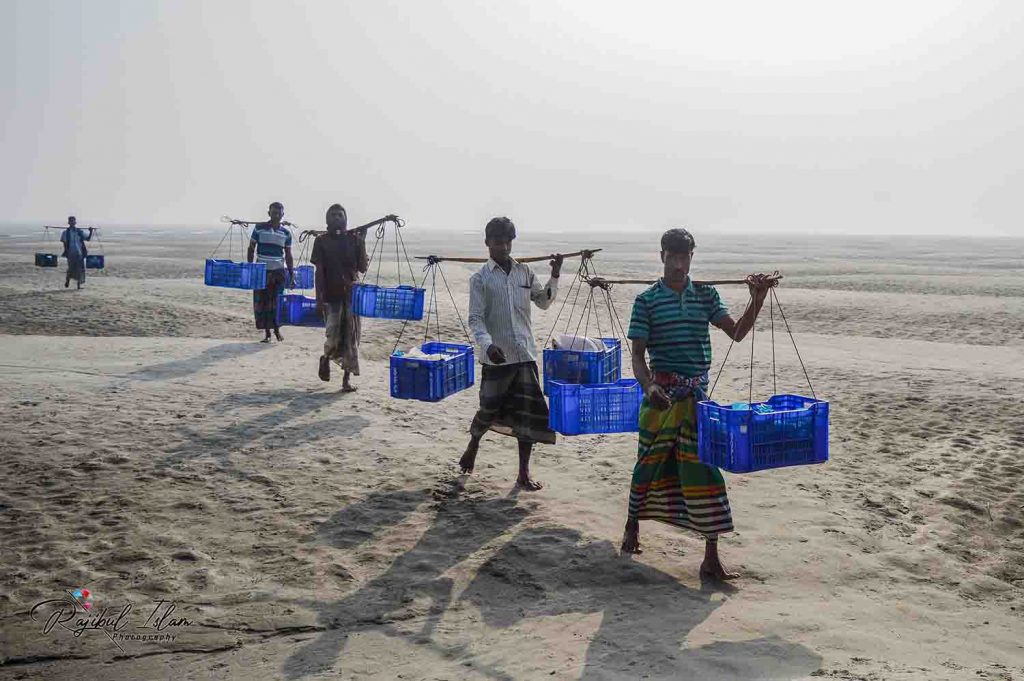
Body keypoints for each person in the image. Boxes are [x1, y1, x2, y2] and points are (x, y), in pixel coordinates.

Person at [620, 227, 775, 580]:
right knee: (648, 464)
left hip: (696, 400)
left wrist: (758, 298)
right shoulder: (646, 302)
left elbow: (736, 333)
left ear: (692, 257)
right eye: (671, 257)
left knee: (704, 472)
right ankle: (632, 526)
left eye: (684, 257)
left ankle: (710, 557)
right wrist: (647, 388)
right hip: (661, 400)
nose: (678, 264)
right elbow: (638, 358)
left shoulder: (705, 295)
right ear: (661, 257)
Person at [459, 217, 564, 490]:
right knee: (487, 409)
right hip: (497, 358)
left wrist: (555, 274)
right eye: (497, 242)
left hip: (525, 354)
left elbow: (544, 302)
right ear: (487, 243)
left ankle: (523, 473)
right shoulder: (480, 278)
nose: (503, 247)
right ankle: (474, 443)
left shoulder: (524, 272)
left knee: (526, 414)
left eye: (507, 242)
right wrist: (487, 344)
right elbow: (476, 319)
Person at [311, 204, 367, 391]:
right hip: (331, 295)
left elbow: (362, 268)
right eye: (333, 215)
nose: (336, 218)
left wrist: (362, 242)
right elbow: (319, 272)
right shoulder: (321, 241)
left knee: (351, 338)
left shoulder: (355, 240)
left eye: (340, 215)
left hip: (352, 296)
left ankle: (346, 380)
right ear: (327, 219)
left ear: (345, 218)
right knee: (333, 337)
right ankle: (326, 358)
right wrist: (318, 299)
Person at [247, 202, 295, 343]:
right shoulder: (259, 228)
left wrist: (291, 274)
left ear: (282, 215)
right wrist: (251, 268)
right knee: (262, 302)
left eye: (279, 213)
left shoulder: (285, 233)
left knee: (277, 303)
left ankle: (277, 330)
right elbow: (251, 248)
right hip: (262, 272)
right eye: (274, 213)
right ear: (269, 213)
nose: (276, 216)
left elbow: (288, 254)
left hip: (279, 272)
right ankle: (267, 333)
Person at [59, 216, 93, 289]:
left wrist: (91, 231)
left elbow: (88, 239)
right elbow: (64, 243)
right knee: (70, 268)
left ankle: (78, 285)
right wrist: (66, 252)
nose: (72, 223)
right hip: (71, 253)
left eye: (73, 221)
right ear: (69, 223)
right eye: (71, 221)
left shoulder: (79, 232)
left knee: (79, 269)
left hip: (79, 253)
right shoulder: (65, 232)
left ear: (75, 222)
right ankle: (67, 280)